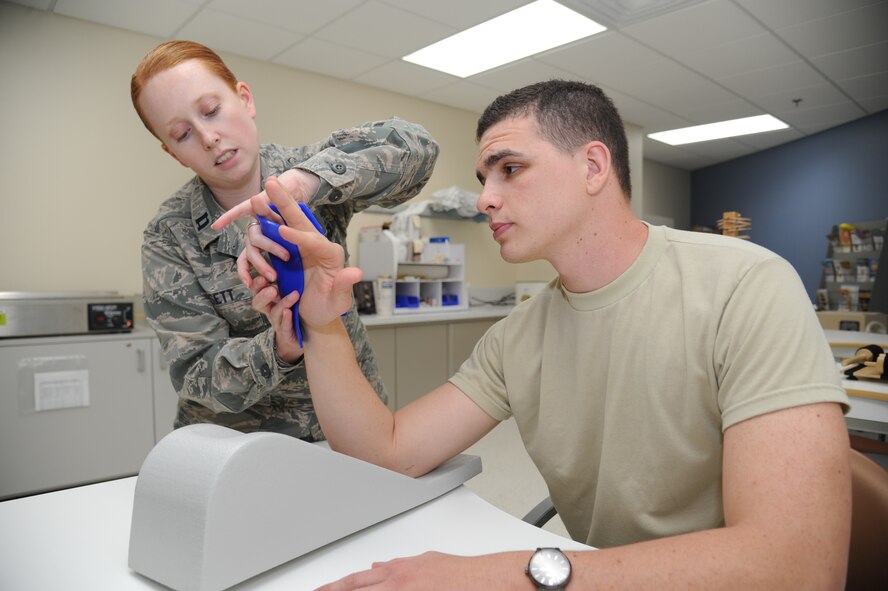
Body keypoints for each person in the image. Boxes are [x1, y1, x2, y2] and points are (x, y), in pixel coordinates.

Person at [224, 80, 852, 589]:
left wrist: (506, 575)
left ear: (593, 166)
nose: (485, 200)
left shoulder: (746, 284)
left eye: (509, 168)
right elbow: (387, 452)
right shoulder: (519, 336)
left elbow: (796, 567)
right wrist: (323, 321)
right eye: (482, 179)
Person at [132, 40, 439, 440]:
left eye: (211, 111)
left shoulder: (309, 170)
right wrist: (279, 347)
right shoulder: (169, 234)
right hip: (238, 444)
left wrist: (301, 185)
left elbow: (416, 147)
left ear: (244, 99)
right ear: (173, 153)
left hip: (348, 422)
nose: (208, 137)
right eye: (183, 133)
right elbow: (196, 375)